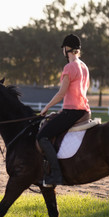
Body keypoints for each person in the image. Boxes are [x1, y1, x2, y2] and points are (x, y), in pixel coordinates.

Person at [36, 34, 90, 187]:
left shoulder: (69, 67)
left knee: (43, 136)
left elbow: (61, 94)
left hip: (72, 112)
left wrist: (46, 108)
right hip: (84, 111)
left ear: (67, 49)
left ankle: (55, 175)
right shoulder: (84, 66)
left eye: (63, 48)